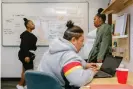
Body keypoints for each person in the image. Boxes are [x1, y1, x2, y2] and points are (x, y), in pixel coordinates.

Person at [38, 20, 98, 89]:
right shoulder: (68, 55)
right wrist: (91, 71)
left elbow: (70, 60)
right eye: (81, 41)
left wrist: (85, 65)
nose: (82, 44)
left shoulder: (51, 50)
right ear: (73, 40)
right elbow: (79, 80)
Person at [17, 18, 37, 89]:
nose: (34, 24)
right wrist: (26, 56)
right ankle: (20, 85)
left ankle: (25, 85)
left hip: (27, 54)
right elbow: (24, 46)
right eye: (32, 23)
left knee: (25, 70)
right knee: (28, 71)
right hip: (25, 54)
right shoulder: (25, 35)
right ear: (28, 25)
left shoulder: (29, 35)